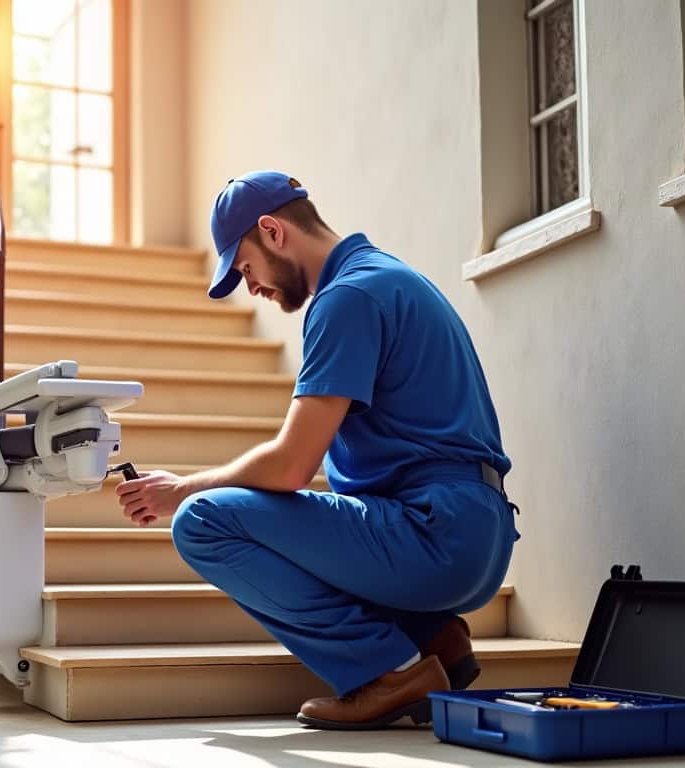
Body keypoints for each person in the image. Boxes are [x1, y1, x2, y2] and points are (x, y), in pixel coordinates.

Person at [115, 170, 520, 730]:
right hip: (476, 535)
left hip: (436, 537)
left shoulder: (345, 300)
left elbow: (290, 466)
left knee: (202, 520)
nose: (251, 287)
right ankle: (434, 637)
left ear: (272, 231)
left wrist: (180, 488)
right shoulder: (386, 278)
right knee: (299, 523)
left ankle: (389, 672)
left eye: (244, 267)